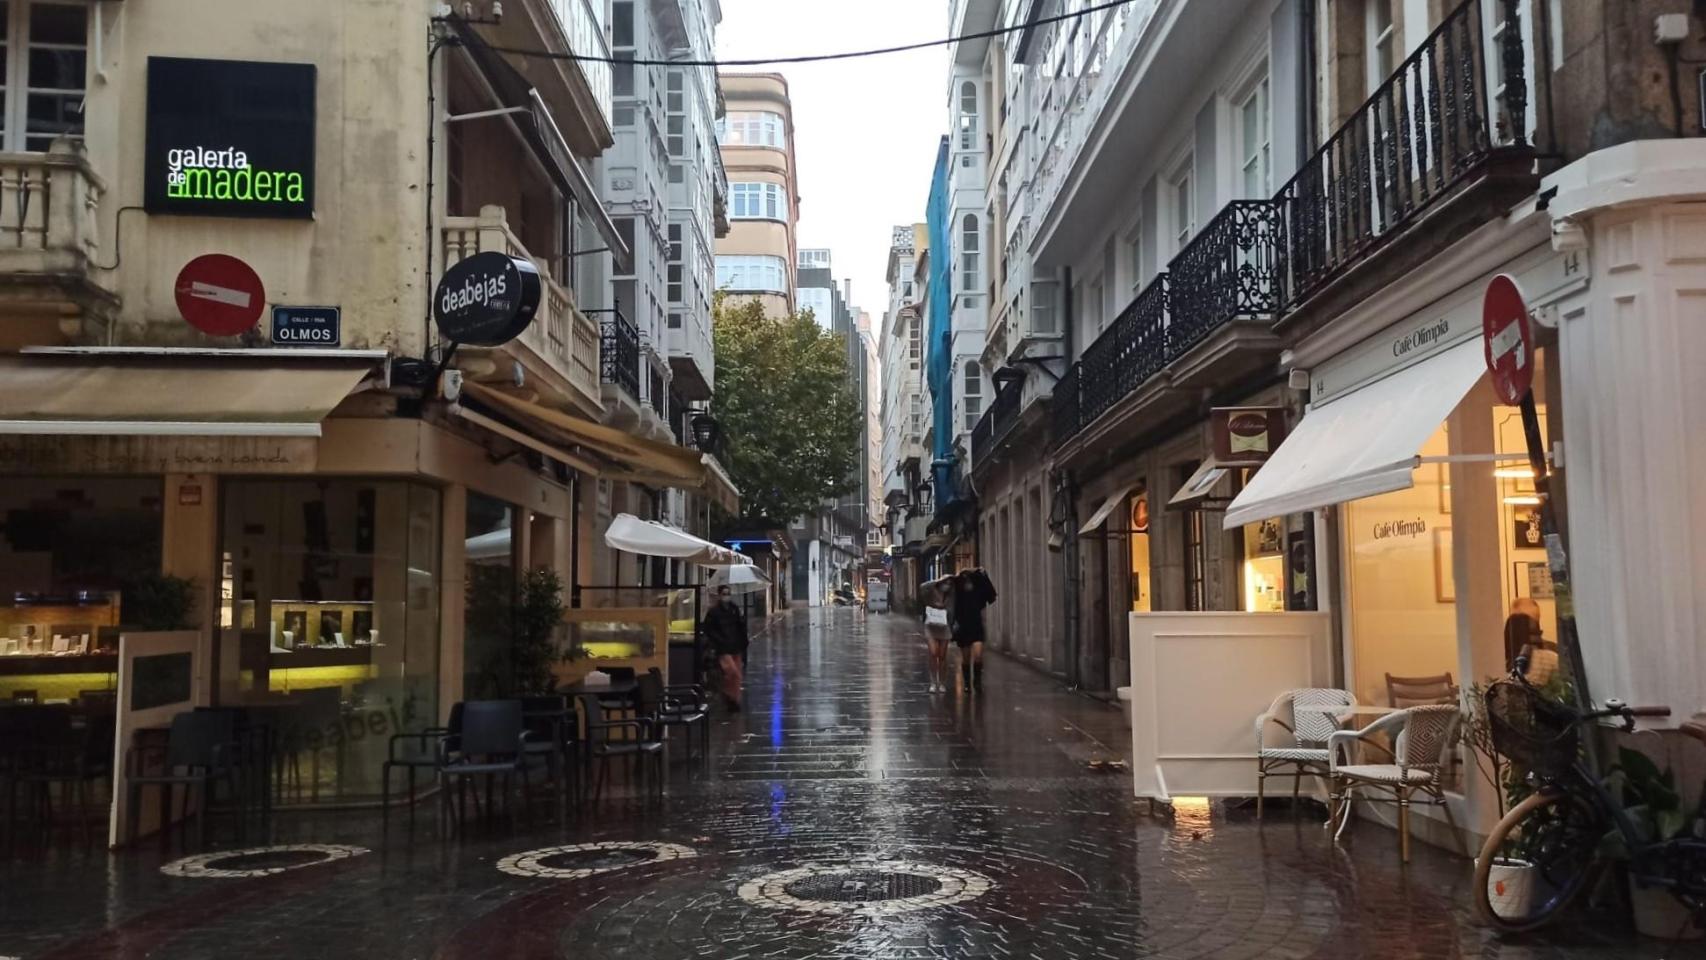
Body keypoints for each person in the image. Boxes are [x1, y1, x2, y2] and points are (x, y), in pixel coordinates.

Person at [701, 585, 749, 711]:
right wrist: (718, 641)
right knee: (732, 672)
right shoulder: (714, 612)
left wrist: (744, 641)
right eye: (724, 593)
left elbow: (740, 626)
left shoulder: (734, 609)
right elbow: (708, 629)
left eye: (728, 593)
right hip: (723, 648)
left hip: (736, 646)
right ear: (719, 595)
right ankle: (728, 695)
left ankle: (734, 700)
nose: (726, 596)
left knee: (737, 676)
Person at [951, 567, 997, 693]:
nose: (967, 584)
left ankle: (977, 682)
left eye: (969, 581)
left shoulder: (978, 592)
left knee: (978, 656)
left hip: (976, 625)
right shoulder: (957, 591)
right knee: (965, 658)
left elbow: (991, 594)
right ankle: (967, 683)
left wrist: (980, 572)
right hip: (963, 627)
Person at [920, 574, 955, 693]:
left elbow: (952, 609)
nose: (947, 585)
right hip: (931, 625)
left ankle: (942, 682)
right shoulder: (931, 590)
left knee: (942, 656)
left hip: (944, 626)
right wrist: (937, 582)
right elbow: (922, 586)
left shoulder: (950, 595)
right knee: (933, 652)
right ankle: (933, 681)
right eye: (946, 583)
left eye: (950, 584)